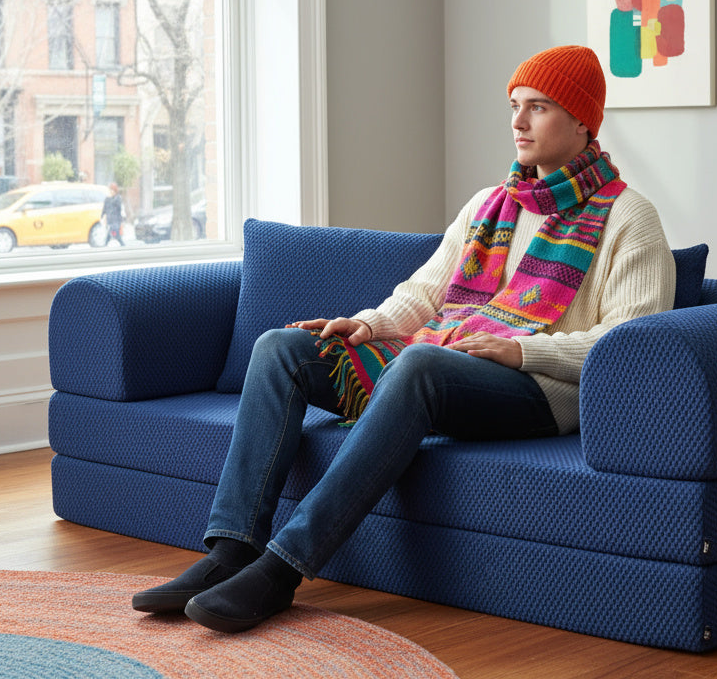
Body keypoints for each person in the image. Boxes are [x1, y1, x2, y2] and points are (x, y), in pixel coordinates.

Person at [131, 44, 677, 633]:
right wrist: (369, 325)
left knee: (419, 367)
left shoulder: (629, 217)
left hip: (540, 391)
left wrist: (523, 350)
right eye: (514, 105)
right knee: (279, 350)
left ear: (582, 121)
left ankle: (281, 569)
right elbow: (426, 292)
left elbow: (630, 346)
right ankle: (232, 551)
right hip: (458, 362)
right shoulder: (491, 205)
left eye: (538, 107)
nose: (518, 122)